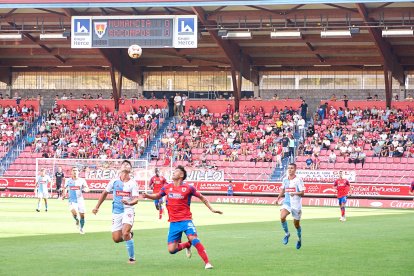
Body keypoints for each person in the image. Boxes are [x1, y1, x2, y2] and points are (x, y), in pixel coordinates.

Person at [143, 165, 223, 270]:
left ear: (181, 175)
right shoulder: (167, 187)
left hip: (186, 220)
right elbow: (158, 195)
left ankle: (207, 263)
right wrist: (148, 196)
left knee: (193, 238)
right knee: (172, 250)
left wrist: (212, 209)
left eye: (176, 171)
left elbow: (202, 197)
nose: (173, 173)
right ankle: (187, 245)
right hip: (173, 222)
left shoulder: (189, 188)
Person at [92, 161, 139, 264]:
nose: (126, 165)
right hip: (116, 211)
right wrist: (97, 207)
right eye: (124, 164)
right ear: (120, 167)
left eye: (128, 165)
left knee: (125, 233)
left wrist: (129, 203)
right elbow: (105, 193)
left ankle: (132, 258)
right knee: (116, 239)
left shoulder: (133, 183)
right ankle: (129, 235)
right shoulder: (114, 181)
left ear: (130, 169)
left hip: (128, 210)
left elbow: (136, 199)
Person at [275, 163, 305, 250]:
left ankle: (299, 239)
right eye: (289, 168)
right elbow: (283, 190)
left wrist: (295, 193)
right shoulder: (285, 179)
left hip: (296, 205)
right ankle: (287, 234)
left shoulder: (298, 180)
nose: (290, 170)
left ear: (295, 169)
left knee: (296, 225)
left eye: (292, 168)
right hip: (287, 203)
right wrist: (278, 198)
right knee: (282, 216)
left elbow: (302, 193)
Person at [63, 167, 89, 234]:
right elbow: (65, 188)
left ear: (78, 172)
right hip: (71, 200)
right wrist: (64, 194)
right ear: (71, 172)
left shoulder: (82, 180)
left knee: (82, 216)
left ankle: (81, 228)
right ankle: (76, 220)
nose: (75, 172)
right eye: (73, 170)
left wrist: (86, 189)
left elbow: (86, 187)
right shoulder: (68, 180)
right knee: (74, 212)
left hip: (80, 200)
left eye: (76, 170)